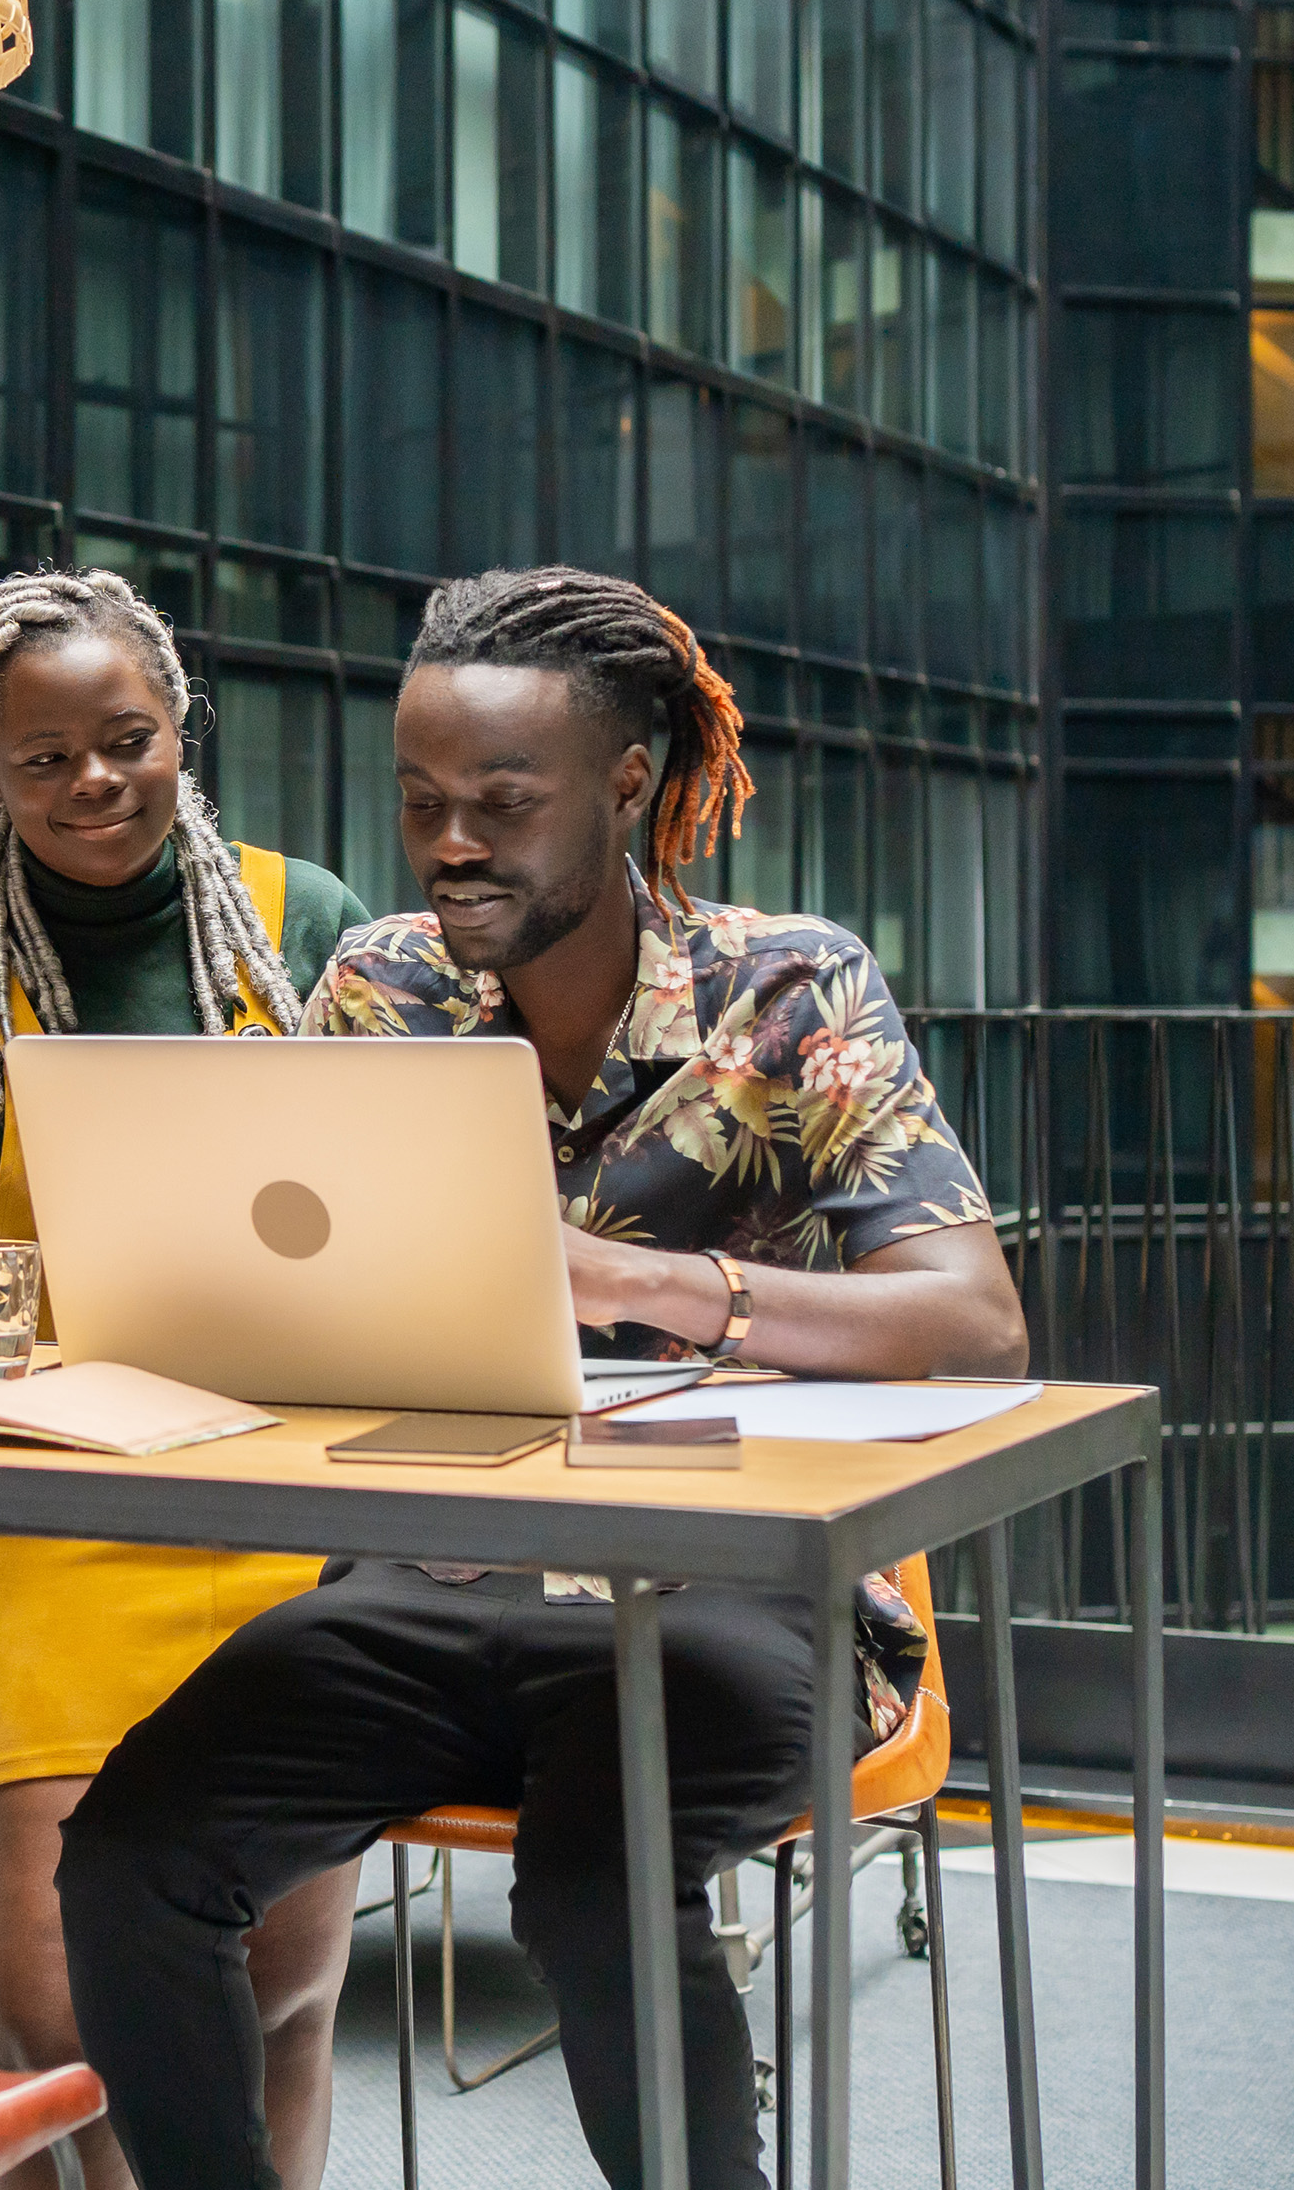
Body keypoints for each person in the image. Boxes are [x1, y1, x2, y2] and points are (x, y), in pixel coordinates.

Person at [51, 567, 1029, 2190]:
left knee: (591, 1889)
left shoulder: (787, 989)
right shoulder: (381, 986)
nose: (450, 842)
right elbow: (291, 1283)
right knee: (133, 1864)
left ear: (628, 787)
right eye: (423, 800)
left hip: (733, 1593)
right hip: (429, 1578)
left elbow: (977, 1321)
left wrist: (638, 1284)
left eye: (503, 802)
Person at [0, 569, 374, 2190]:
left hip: (282, 1496)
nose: (97, 782)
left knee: (282, 1987)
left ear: (181, 726)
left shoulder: (302, 921)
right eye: (45, 761)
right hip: (52, 1508)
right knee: (57, 2015)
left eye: (129, 740)